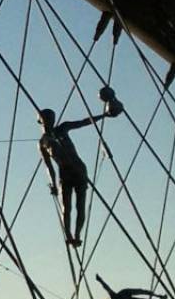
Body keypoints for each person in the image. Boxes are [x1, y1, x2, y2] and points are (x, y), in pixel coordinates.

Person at [38, 91, 122, 247]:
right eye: (47, 118)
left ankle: (77, 234)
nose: (51, 121)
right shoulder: (43, 142)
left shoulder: (62, 128)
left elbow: (84, 122)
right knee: (66, 206)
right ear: (40, 120)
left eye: (52, 118)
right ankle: (69, 235)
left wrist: (103, 116)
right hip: (65, 172)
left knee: (80, 205)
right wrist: (53, 185)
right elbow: (49, 166)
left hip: (79, 169)